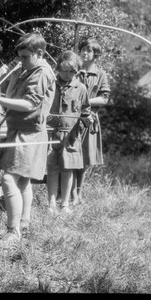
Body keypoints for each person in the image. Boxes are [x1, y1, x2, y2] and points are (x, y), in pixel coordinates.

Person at [0, 33, 55, 249]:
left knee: (8, 180)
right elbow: (13, 95)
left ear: (39, 53)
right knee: (23, 181)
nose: (20, 61)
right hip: (20, 130)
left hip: (29, 132)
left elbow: (28, 105)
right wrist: (9, 76)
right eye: (19, 57)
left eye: (24, 57)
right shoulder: (28, 69)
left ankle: (13, 232)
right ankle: (24, 225)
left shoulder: (41, 73)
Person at [46, 50, 93, 214]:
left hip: (71, 136)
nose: (67, 74)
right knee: (51, 168)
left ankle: (65, 204)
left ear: (77, 71)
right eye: (64, 70)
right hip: (50, 133)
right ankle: (51, 204)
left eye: (71, 71)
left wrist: (87, 119)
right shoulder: (50, 84)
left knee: (67, 169)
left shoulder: (80, 88)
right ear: (58, 68)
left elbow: (86, 111)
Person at [71, 38, 110, 205]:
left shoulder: (100, 74)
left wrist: (85, 101)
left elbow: (104, 99)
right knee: (71, 158)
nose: (85, 52)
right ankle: (69, 194)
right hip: (72, 119)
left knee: (85, 160)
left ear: (96, 54)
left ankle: (78, 194)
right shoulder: (74, 70)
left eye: (89, 50)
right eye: (82, 49)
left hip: (90, 121)